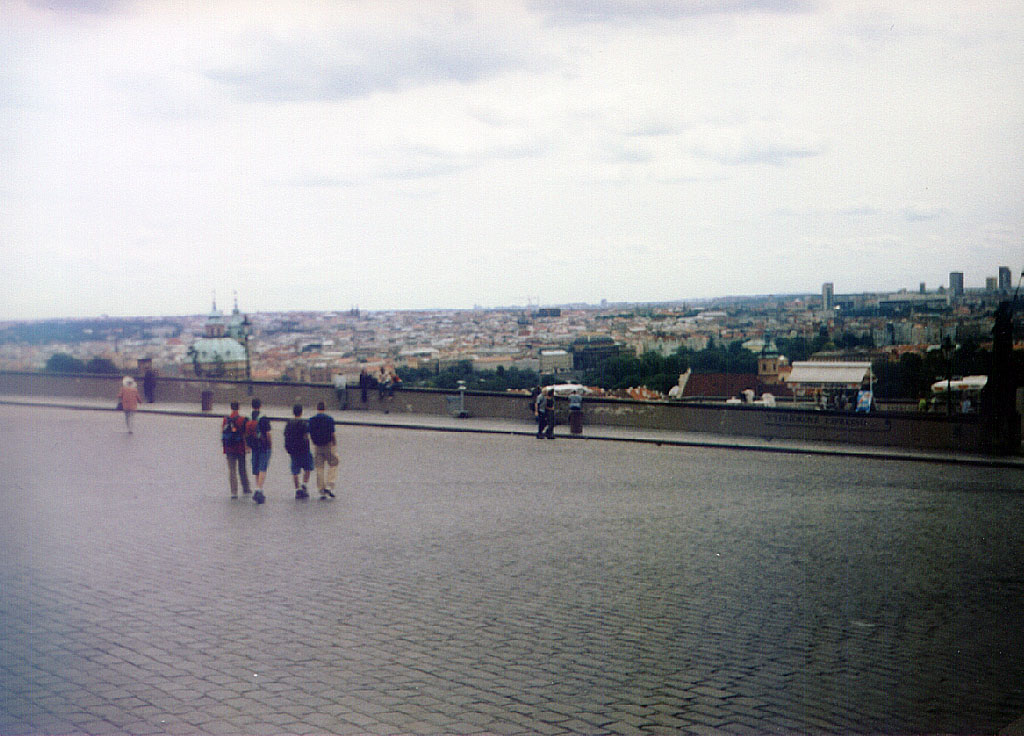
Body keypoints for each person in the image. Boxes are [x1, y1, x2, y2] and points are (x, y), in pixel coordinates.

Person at [308, 401, 338, 499]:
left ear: (317, 408)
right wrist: (334, 443)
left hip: (317, 445)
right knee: (334, 462)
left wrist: (313, 442)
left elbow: (310, 433)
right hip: (328, 444)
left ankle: (321, 488)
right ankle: (330, 483)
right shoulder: (329, 419)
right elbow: (332, 433)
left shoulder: (312, 420)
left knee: (319, 467)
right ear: (325, 408)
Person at [283, 404, 313, 499]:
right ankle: (304, 484)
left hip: (293, 449)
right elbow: (306, 435)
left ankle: (297, 489)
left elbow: (286, 435)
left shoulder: (289, 423)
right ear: (301, 412)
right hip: (304, 449)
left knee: (295, 470)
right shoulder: (304, 424)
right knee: (308, 467)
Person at [221, 401, 251, 498]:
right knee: (242, 468)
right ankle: (246, 487)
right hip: (240, 446)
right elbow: (245, 434)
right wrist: (247, 446)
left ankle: (234, 492)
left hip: (229, 448)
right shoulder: (242, 420)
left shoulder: (226, 420)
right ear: (239, 408)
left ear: (231, 408)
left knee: (232, 470)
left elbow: (223, 432)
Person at [246, 398, 272, 503]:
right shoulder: (263, 418)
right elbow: (268, 433)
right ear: (260, 405)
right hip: (263, 445)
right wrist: (270, 445)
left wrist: (247, 445)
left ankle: (258, 487)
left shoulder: (248, 418)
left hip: (254, 445)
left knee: (256, 468)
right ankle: (259, 489)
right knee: (263, 468)